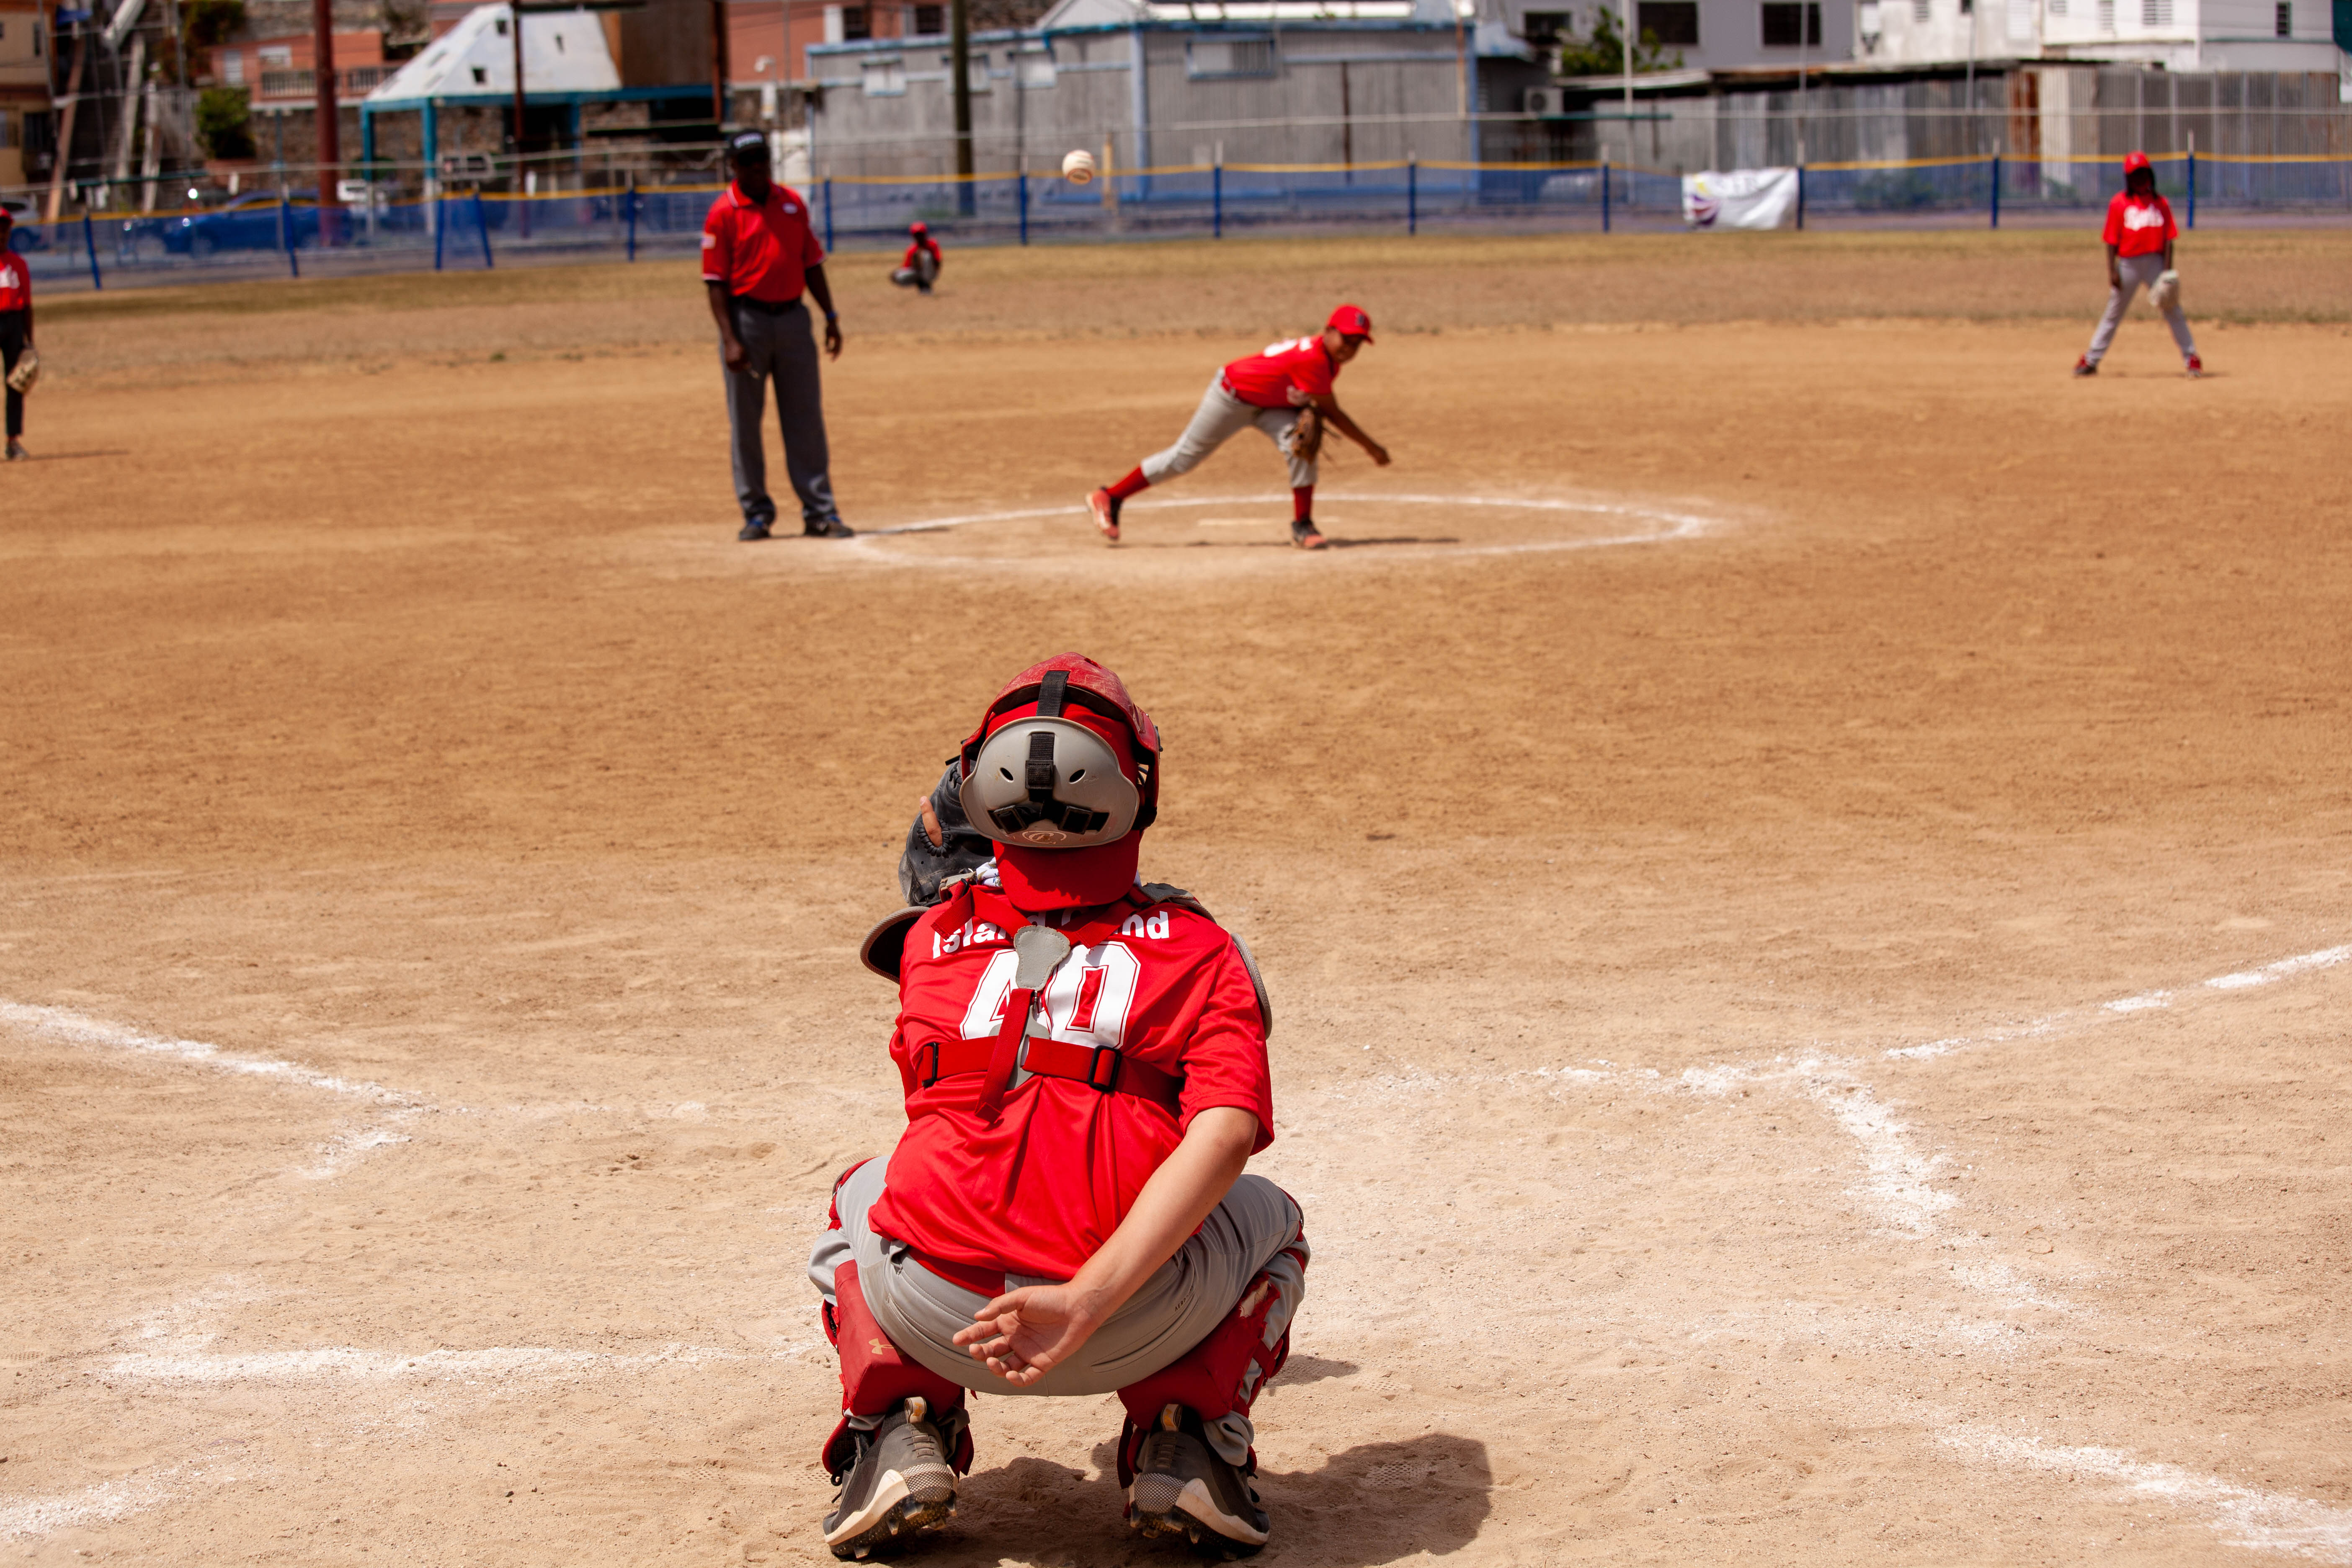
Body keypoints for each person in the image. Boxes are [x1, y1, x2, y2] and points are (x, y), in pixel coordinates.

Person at [812, 653, 1305, 1561]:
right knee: (1272, 1218)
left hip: (943, 1314)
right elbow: (1227, 1131)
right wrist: (1084, 1299)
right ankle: (1190, 1443)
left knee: (862, 1192)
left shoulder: (928, 938)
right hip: (1136, 1314)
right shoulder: (1203, 950)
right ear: (1137, 789)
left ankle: (894, 1431)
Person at [1086, 305, 1392, 552]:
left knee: (1300, 448)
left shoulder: (1328, 359)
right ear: (1327, 331)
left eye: (1357, 344)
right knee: (1184, 458)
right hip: (1232, 396)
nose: (1349, 348)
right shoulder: (1313, 358)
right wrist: (1372, 448)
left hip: (1271, 405)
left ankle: (1303, 525)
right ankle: (1110, 497)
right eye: (1345, 339)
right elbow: (1334, 414)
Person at [702, 129, 854, 542]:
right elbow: (715, 282)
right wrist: (730, 339)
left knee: (805, 419)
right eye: (748, 161)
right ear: (733, 167)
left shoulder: (791, 204)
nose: (757, 168)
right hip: (747, 322)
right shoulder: (723, 213)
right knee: (747, 424)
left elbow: (812, 263)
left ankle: (819, 511)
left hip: (793, 321)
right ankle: (756, 513)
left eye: (762, 160)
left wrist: (830, 316)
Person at [2074, 151, 2202, 379]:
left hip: (2155, 263)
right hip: (2128, 265)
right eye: (2135, 176)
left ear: (2150, 176)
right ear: (2128, 180)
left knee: (2173, 309)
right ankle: (2091, 359)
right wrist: (2112, 270)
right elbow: (2111, 240)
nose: (2140, 180)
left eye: (2143, 174)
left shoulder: (2160, 203)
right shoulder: (2119, 203)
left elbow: (2169, 239)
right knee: (2113, 313)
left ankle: (2191, 358)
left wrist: (2167, 272)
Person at [0, 209, 32, 461]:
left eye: (5, 228)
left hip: (13, 324)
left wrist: (29, 342)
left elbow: (27, 306)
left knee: (15, 384)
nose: (1, 234)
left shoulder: (19, 263)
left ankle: (13, 441)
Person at [891, 222, 942, 294]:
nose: (919, 237)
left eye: (921, 234)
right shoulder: (911, 250)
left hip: (931, 272)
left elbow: (938, 261)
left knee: (926, 255)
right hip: (917, 272)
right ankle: (922, 285)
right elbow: (907, 267)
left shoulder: (932, 244)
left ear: (925, 234)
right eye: (917, 235)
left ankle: (926, 284)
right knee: (899, 276)